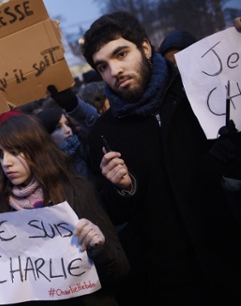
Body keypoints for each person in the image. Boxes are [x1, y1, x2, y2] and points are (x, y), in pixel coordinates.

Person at [71, 11, 241, 305]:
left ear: (145, 48)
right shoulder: (103, 132)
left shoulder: (198, 89)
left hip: (233, 253)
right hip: (173, 281)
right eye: (103, 66)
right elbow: (115, 215)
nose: (115, 71)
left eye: (121, 54)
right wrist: (122, 189)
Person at [0, 114, 130, 305]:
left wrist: (99, 248)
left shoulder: (75, 192)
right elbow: (1, 288)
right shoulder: (0, 210)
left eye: (14, 152)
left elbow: (121, 268)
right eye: (1, 155)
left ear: (36, 150)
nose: (6, 162)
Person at [35, 107, 91, 180]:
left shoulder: (86, 148)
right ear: (46, 135)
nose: (67, 130)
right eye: (58, 127)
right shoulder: (49, 171)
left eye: (67, 124)